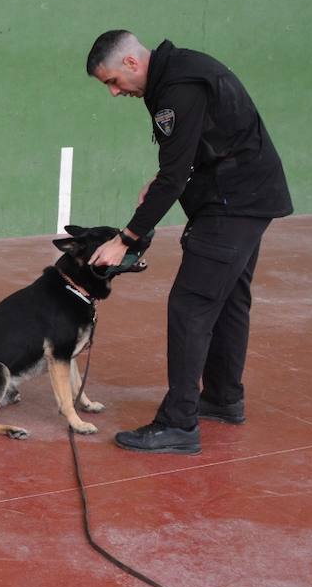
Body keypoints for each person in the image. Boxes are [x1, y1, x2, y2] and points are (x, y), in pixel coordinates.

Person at [84, 30, 292, 455]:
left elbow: (176, 174)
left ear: (130, 63)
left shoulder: (175, 89)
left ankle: (179, 423)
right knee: (230, 298)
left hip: (233, 204)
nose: (112, 92)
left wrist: (125, 240)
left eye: (112, 81)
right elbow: (193, 150)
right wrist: (161, 180)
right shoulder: (179, 71)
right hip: (249, 195)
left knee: (190, 305)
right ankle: (222, 398)